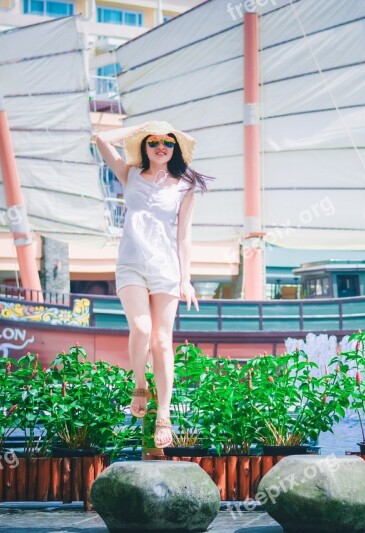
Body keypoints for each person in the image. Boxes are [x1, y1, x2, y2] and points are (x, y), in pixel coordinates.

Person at [95, 120, 211, 448]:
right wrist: (141, 128)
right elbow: (101, 139)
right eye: (153, 142)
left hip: (166, 269)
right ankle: (138, 382)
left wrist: (186, 278)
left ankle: (164, 413)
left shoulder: (184, 186)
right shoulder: (129, 172)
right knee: (141, 329)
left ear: (175, 149)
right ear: (144, 146)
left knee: (161, 342)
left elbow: (184, 234)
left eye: (168, 143)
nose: (161, 147)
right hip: (131, 265)